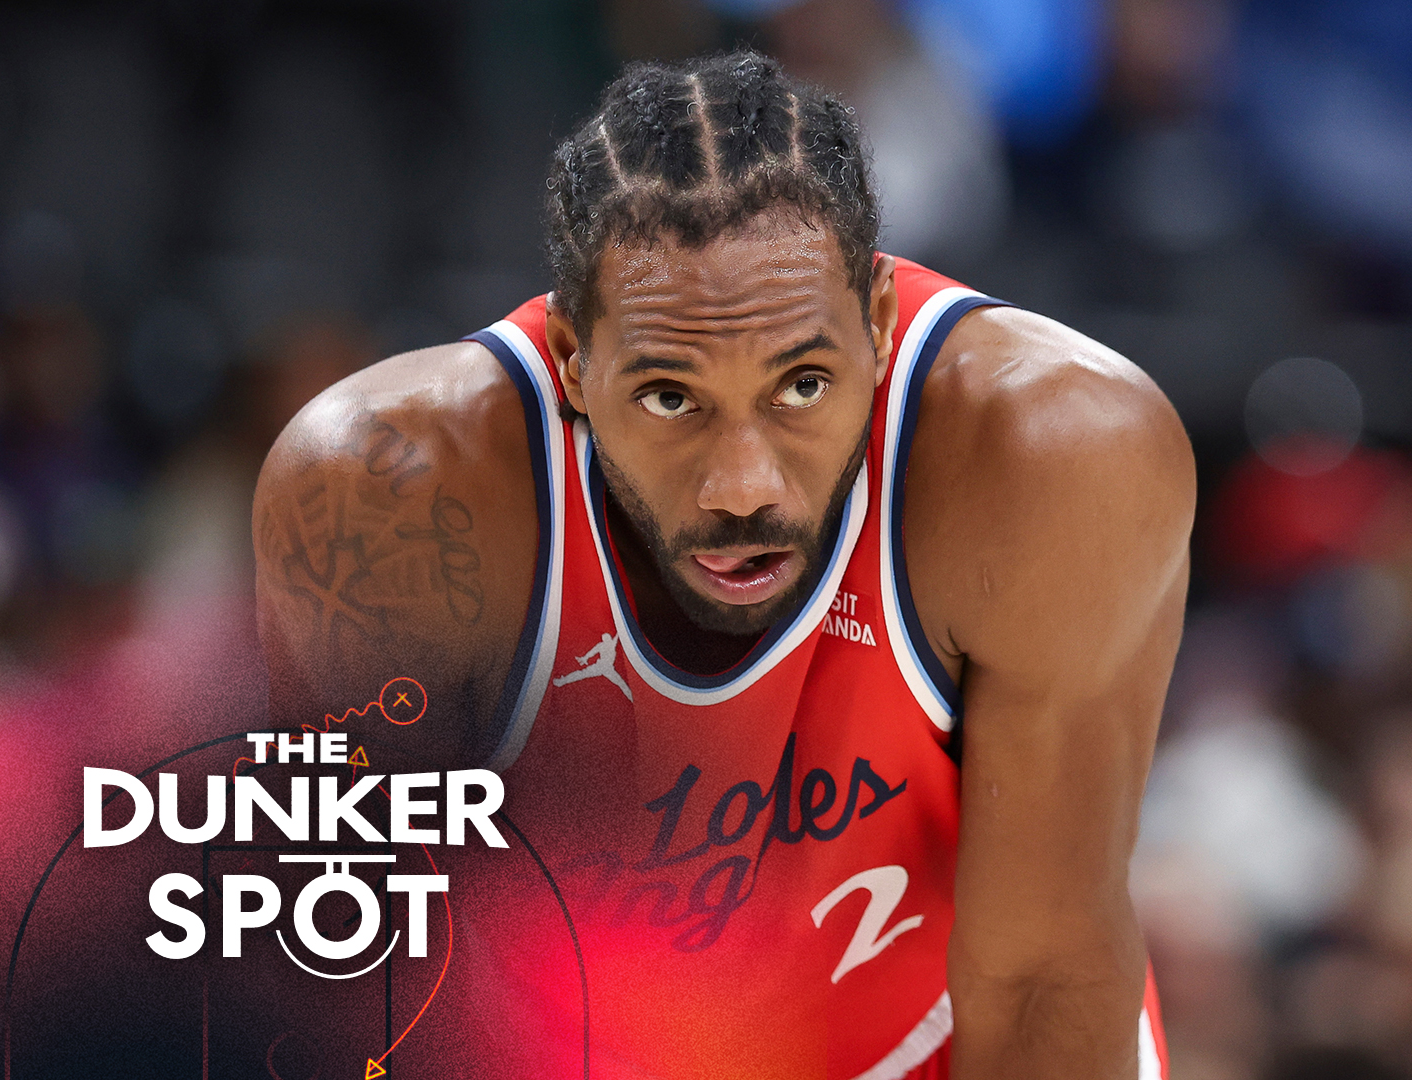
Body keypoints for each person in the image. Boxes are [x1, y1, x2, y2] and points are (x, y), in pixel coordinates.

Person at [254, 50, 1192, 1080]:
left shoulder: (1051, 453)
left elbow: (1044, 977)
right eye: (670, 397)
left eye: (801, 385)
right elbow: (355, 980)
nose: (743, 486)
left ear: (877, 325)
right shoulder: (385, 498)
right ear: (572, 357)